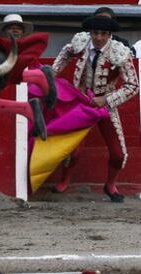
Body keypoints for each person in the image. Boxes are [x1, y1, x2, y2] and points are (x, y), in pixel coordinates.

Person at [49, 15, 139, 202]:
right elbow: (66, 52)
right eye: (95, 33)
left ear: (110, 35)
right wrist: (52, 73)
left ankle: (110, 185)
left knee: (118, 153)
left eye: (103, 34)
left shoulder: (120, 52)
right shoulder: (80, 43)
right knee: (73, 149)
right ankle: (66, 180)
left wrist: (105, 99)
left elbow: (133, 85)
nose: (99, 38)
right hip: (80, 100)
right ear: (90, 33)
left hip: (106, 104)